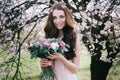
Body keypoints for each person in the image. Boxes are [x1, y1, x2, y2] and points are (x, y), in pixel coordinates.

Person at [40, 2, 80, 80]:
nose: (58, 21)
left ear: (66, 17)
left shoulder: (73, 36)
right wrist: (43, 65)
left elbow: (75, 70)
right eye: (55, 17)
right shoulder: (48, 38)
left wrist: (61, 58)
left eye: (61, 17)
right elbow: (46, 69)